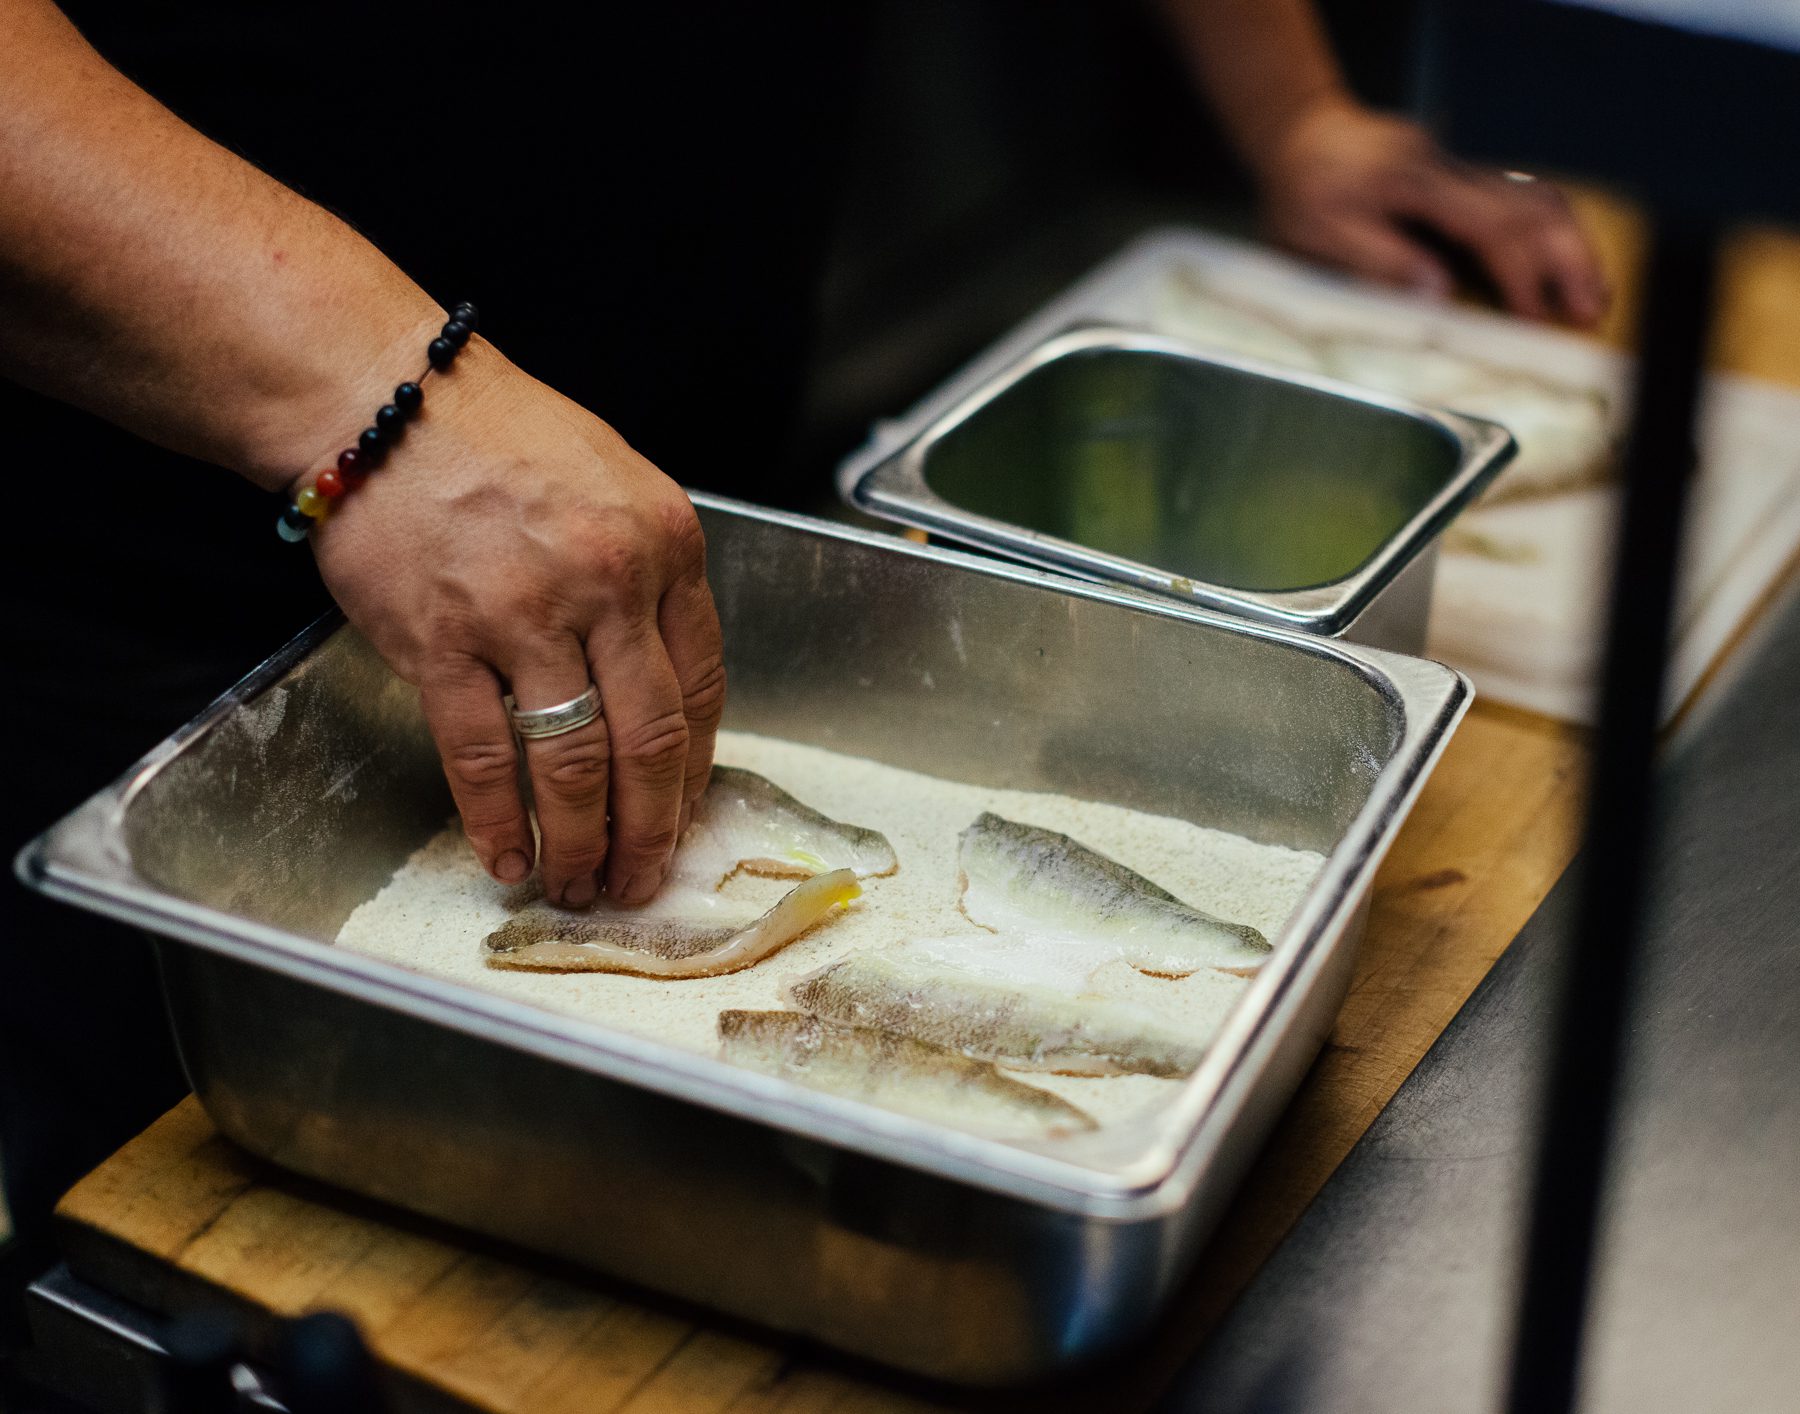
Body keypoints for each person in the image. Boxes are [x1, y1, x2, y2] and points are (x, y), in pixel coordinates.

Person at [0, 0, 1605, 1263]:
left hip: (682, 487)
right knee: (201, 1255)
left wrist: (1296, 105)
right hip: (167, 578)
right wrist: (370, 401)